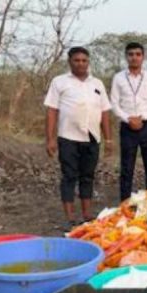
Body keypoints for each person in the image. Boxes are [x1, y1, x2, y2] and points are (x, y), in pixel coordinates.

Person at [44, 46, 112, 227]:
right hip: (68, 137)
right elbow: (52, 110)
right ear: (70, 62)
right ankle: (70, 217)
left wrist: (109, 139)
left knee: (88, 176)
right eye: (77, 60)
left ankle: (87, 214)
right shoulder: (59, 82)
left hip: (92, 137)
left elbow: (105, 112)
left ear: (88, 62)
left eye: (84, 60)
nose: (81, 64)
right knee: (69, 176)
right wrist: (50, 138)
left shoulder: (97, 84)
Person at [110, 42, 147, 201]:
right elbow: (114, 103)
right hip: (127, 126)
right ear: (126, 57)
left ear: (143, 57)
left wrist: (142, 117)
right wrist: (128, 119)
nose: (134, 57)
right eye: (131, 54)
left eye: (138, 54)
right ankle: (124, 204)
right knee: (127, 169)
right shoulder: (118, 78)